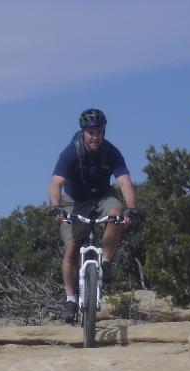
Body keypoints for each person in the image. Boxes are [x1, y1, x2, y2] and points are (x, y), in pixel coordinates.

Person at [48, 108, 137, 319]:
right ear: (83, 132)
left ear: (104, 131)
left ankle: (105, 263)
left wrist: (131, 208)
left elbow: (124, 181)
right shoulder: (71, 152)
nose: (95, 136)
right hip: (74, 200)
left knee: (115, 214)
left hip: (102, 197)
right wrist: (56, 207)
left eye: (99, 132)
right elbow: (56, 183)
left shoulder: (111, 152)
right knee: (71, 250)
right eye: (91, 132)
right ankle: (70, 301)